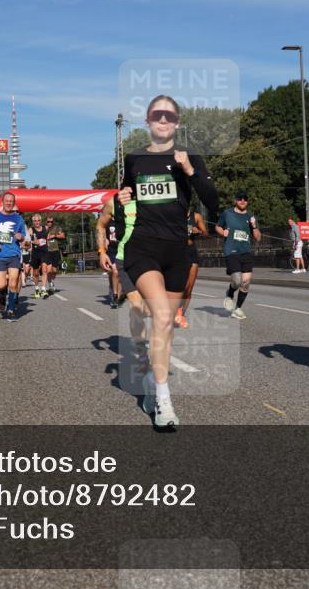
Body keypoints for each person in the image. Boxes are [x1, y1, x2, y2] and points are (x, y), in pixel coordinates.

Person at [117, 95, 219, 429]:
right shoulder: (135, 159)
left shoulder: (190, 158)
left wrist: (190, 171)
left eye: (169, 116)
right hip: (143, 246)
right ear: (147, 120)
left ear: (177, 122)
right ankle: (164, 399)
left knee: (166, 325)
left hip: (177, 250)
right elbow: (124, 196)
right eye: (156, 115)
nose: (163, 120)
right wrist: (122, 200)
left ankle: (150, 383)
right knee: (161, 315)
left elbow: (213, 201)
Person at [99, 195, 151, 371]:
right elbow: (100, 225)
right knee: (135, 307)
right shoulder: (114, 203)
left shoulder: (154, 197)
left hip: (151, 259)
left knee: (149, 308)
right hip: (125, 260)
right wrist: (101, 251)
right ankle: (142, 353)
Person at [216, 192, 261, 320]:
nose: (242, 201)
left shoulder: (250, 216)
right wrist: (222, 232)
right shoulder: (227, 213)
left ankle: (238, 308)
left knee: (246, 282)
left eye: (245, 199)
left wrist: (254, 226)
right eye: (240, 199)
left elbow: (257, 237)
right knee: (237, 280)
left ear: (247, 201)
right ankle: (230, 293)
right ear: (235, 200)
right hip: (231, 250)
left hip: (246, 251)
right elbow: (217, 227)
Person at [0, 192, 28, 320]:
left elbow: (23, 235)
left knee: (13, 283)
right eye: (7, 201)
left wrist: (21, 237)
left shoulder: (18, 219)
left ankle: (11, 309)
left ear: (14, 203)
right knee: (2, 285)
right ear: (2, 202)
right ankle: (2, 295)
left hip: (13, 254)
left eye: (11, 201)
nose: (9, 203)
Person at [175, 208, 208, 328]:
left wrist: (198, 231)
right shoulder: (173, 213)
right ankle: (174, 310)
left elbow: (206, 234)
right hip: (177, 252)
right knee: (180, 286)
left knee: (189, 288)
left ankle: (181, 313)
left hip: (191, 251)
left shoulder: (196, 216)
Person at [97, 210, 121, 308]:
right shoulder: (107, 221)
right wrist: (104, 241)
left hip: (122, 249)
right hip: (111, 250)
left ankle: (116, 296)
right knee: (114, 272)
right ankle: (114, 292)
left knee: (118, 273)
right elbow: (100, 232)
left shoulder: (125, 220)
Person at [44, 216, 66, 294]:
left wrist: (55, 236)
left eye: (51, 222)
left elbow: (63, 236)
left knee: (54, 270)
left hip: (55, 251)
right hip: (47, 251)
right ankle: (50, 284)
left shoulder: (56, 228)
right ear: (46, 222)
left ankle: (52, 281)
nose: (50, 223)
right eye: (48, 222)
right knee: (49, 270)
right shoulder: (44, 228)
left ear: (53, 222)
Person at [29, 214, 49, 299]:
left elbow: (47, 239)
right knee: (36, 273)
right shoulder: (31, 229)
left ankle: (43, 289)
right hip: (35, 252)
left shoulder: (46, 228)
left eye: (38, 220)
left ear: (41, 221)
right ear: (33, 222)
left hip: (44, 251)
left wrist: (47, 244)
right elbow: (27, 240)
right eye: (35, 221)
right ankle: (37, 288)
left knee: (44, 269)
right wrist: (34, 242)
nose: (37, 222)